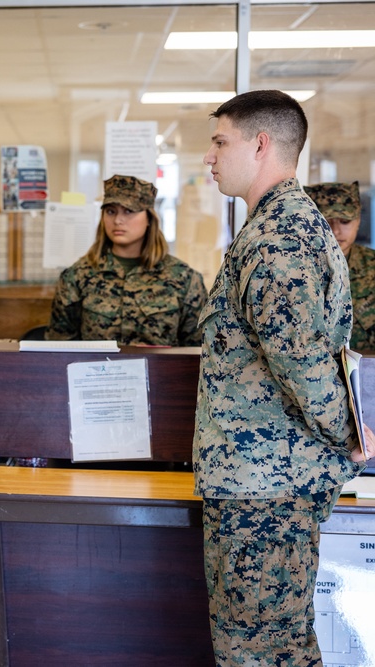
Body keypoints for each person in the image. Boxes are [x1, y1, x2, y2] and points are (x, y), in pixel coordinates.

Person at [196, 89, 370, 666]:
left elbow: (303, 360)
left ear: (261, 144)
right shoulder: (282, 227)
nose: (210, 156)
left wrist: (350, 437)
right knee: (283, 646)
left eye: (221, 141)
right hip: (268, 481)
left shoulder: (277, 239)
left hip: (265, 489)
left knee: (257, 652)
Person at [46, 174, 207, 346]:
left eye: (128, 211)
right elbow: (59, 347)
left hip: (160, 372)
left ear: (149, 218)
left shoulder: (183, 279)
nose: (117, 220)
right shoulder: (77, 276)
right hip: (96, 372)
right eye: (110, 211)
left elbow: (198, 350)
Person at [304, 181, 375, 350]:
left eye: (344, 221)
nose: (336, 231)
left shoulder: (373, 266)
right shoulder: (297, 268)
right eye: (327, 221)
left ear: (357, 221)